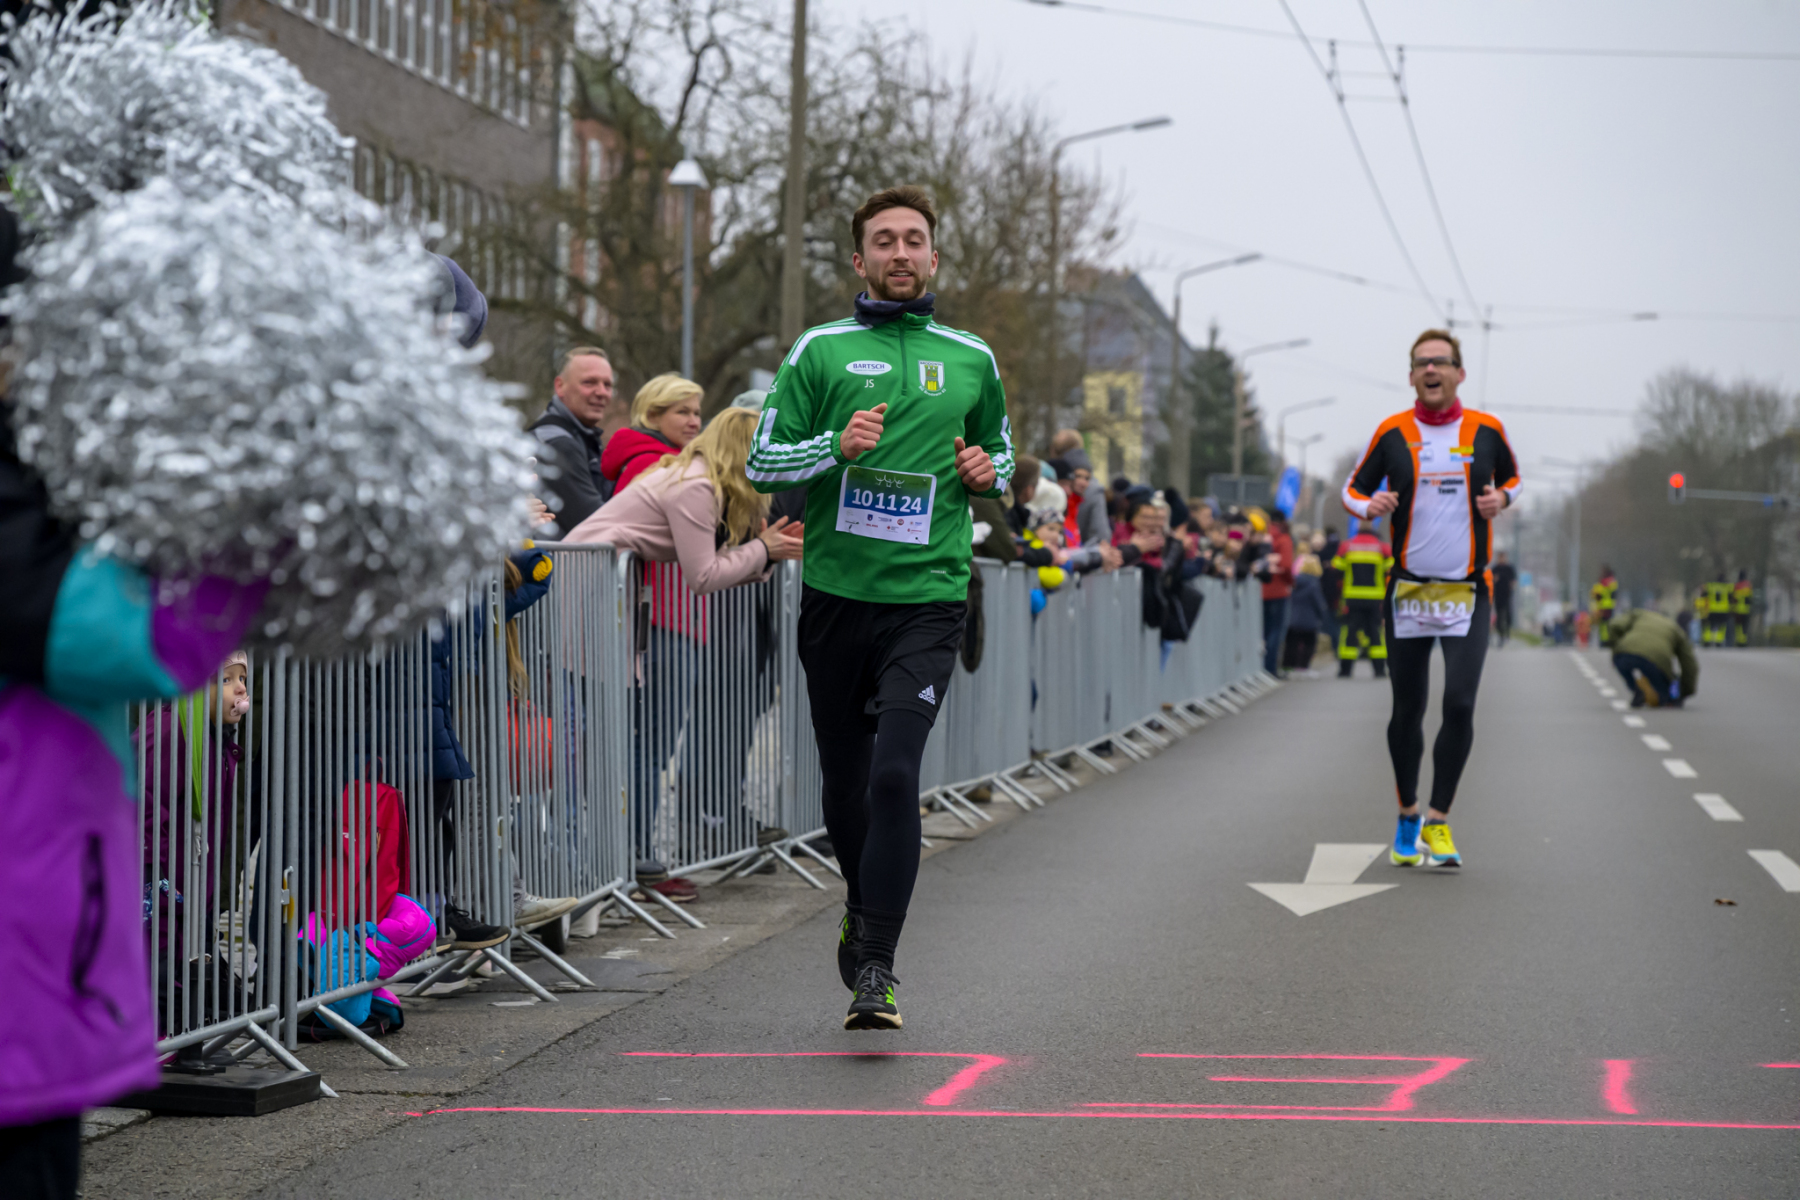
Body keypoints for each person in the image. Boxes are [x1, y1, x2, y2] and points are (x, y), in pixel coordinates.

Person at [744, 186, 1014, 1030]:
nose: (902, 252)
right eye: (885, 241)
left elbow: (1002, 449)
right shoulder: (820, 349)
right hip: (837, 598)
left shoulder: (971, 356)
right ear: (860, 259)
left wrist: (989, 473)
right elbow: (761, 458)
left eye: (914, 239)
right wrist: (835, 445)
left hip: (928, 599)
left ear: (934, 256)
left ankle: (877, 966)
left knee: (897, 775)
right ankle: (861, 909)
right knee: (845, 783)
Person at [572, 408, 805, 883]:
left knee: (644, 743)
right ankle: (627, 859)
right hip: (592, 601)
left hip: (604, 600)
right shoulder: (697, 486)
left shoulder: (695, 479)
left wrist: (764, 552)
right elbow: (703, 575)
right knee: (638, 743)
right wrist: (765, 550)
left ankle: (633, 857)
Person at [1343, 327, 1521, 869]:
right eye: (1421, 363)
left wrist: (1501, 499)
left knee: (1460, 703)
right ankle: (1407, 813)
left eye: (1440, 362)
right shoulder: (1392, 432)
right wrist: (1368, 507)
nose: (1430, 370)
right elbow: (1352, 489)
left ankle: (1438, 821)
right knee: (1408, 709)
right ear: (1411, 376)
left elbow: (1514, 479)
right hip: (1409, 591)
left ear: (1459, 373)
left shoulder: (1486, 430)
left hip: (1469, 591)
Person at [528, 347, 615, 535]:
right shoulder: (557, 446)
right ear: (560, 386)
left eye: (607, 385)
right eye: (589, 382)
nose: (602, 392)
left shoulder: (582, 438)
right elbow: (596, 524)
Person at [602, 373, 706, 494]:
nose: (694, 423)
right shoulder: (650, 464)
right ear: (652, 416)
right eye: (683, 412)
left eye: (697, 414)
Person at [1331, 523, 1392, 678]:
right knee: (1375, 634)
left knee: (1350, 633)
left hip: (1353, 598)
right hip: (1375, 598)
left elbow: (1336, 567)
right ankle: (1379, 670)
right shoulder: (1382, 548)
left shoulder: (1347, 546)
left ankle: (1345, 670)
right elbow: (1391, 569)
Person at [1609, 609, 1699, 709]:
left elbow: (1615, 625)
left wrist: (1617, 644)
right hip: (1656, 660)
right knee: (1669, 681)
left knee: (1625, 662)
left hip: (1624, 652)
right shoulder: (1676, 630)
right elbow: (1689, 665)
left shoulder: (1641, 615)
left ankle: (1637, 691)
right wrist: (1686, 691)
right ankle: (1673, 698)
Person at [1260, 509, 1296, 676]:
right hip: (1279, 590)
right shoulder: (1284, 539)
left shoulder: (1263, 536)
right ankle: (1271, 668)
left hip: (1261, 590)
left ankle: (1261, 667)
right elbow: (1287, 566)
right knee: (1277, 632)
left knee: (1264, 631)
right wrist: (1290, 582)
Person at [1283, 554, 1330, 675]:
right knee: (1309, 644)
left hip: (1292, 618)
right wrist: (1322, 615)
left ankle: (1288, 667)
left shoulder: (1294, 581)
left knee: (1291, 643)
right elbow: (1318, 602)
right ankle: (1303, 667)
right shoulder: (1314, 583)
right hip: (1309, 619)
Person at [1490, 550, 1518, 647]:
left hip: (1507, 595)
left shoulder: (1509, 568)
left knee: (1508, 615)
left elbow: (1514, 581)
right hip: (1498, 595)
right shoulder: (1495, 568)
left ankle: (1507, 633)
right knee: (1499, 615)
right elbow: (1491, 580)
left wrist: (1512, 587)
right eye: (1500, 557)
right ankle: (1501, 635)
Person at [1591, 565, 1619, 648]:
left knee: (1604, 625)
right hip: (1608, 606)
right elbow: (1614, 593)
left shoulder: (1602, 582)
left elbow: (1596, 594)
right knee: (1606, 624)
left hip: (1604, 606)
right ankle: (1606, 640)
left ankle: (1604, 641)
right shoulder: (1612, 581)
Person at [1702, 574, 1732, 648]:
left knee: (1709, 626)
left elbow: (1704, 595)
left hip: (1712, 610)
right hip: (1723, 611)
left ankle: (1707, 640)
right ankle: (1718, 641)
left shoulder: (1711, 586)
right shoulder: (1726, 587)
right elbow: (1731, 598)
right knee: (1721, 627)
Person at [1731, 569, 1754, 646]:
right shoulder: (1748, 585)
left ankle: (1739, 641)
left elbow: (1734, 599)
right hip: (1746, 610)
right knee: (1745, 627)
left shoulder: (1737, 585)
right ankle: (1744, 641)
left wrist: (1732, 609)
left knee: (1738, 627)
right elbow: (1750, 598)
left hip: (1738, 610)